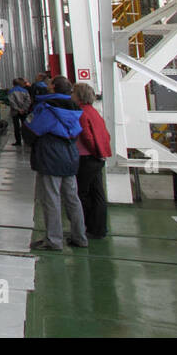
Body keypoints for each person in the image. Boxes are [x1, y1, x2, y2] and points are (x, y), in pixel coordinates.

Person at [25, 76, 87, 251]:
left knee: (51, 198)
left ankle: (54, 240)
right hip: (70, 155)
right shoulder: (75, 108)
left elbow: (32, 129)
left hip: (51, 156)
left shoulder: (48, 108)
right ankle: (79, 236)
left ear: (52, 87)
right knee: (72, 198)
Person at [73, 82, 112, 240]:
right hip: (97, 157)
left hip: (86, 158)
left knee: (82, 193)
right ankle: (100, 228)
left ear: (79, 96)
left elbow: (87, 137)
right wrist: (100, 153)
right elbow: (105, 134)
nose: (71, 96)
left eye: (73, 93)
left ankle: (88, 227)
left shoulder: (81, 113)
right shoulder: (93, 112)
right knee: (98, 194)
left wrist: (94, 152)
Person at [7, 77, 32, 147]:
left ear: (13, 84)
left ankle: (18, 141)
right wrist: (23, 109)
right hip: (24, 111)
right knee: (25, 126)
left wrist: (18, 109)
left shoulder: (11, 91)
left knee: (16, 127)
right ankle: (26, 140)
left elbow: (11, 102)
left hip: (15, 112)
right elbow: (28, 101)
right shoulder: (25, 91)